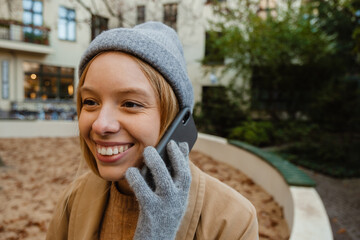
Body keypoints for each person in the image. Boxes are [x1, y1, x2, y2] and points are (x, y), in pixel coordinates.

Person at [46, 21, 258, 240]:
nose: (100, 125)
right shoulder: (73, 199)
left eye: (130, 104)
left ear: (174, 119)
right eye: (90, 101)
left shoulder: (233, 220)